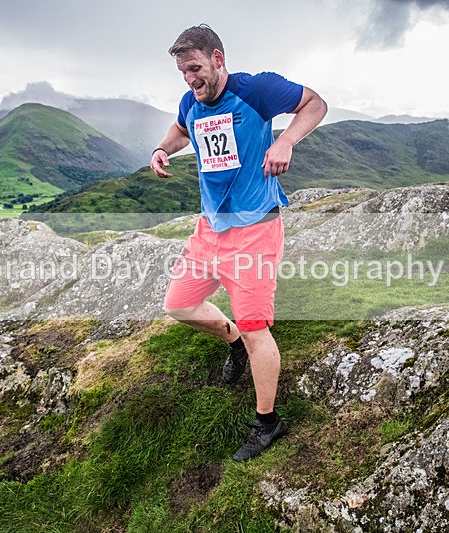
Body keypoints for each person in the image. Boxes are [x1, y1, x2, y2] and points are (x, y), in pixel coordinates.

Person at [150, 24, 327, 461]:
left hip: (254, 232)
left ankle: (267, 422)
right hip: (210, 229)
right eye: (183, 72)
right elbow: (181, 127)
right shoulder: (191, 100)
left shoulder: (257, 89)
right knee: (179, 305)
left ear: (218, 58)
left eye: (195, 68)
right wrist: (162, 149)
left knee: (256, 329)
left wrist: (286, 140)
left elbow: (315, 104)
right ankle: (231, 343)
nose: (190, 79)